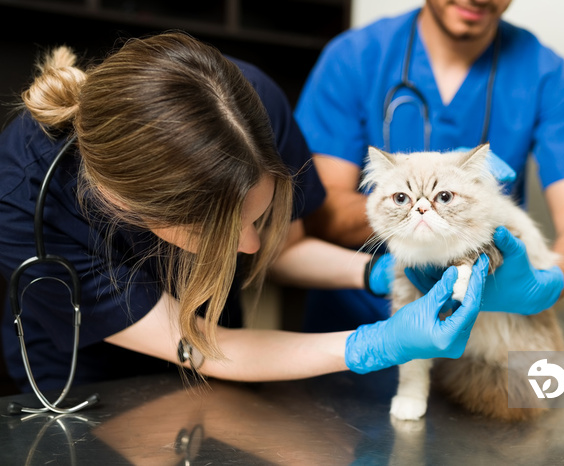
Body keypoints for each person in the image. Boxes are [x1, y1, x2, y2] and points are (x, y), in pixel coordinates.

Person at [0, 32, 490, 395]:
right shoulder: (25, 201)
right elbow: (206, 347)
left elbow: (286, 249)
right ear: (130, 210)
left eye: (257, 218)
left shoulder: (246, 105)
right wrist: (378, 342)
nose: (253, 250)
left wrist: (387, 272)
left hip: (225, 350)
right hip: (86, 380)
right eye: (219, 236)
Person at [294, 0, 564, 331]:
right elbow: (318, 208)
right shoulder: (355, 56)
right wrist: (424, 227)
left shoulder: (548, 76)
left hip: (484, 318)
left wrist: (548, 285)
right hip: (355, 319)